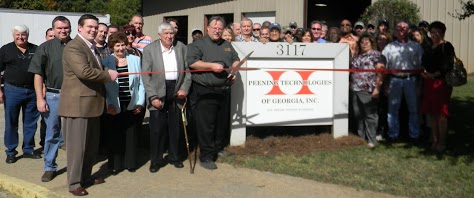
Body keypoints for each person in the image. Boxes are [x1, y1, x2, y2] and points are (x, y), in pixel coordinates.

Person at [58, 14, 118, 196]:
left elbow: (96, 69)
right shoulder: (74, 47)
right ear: (80, 28)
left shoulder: (91, 48)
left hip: (92, 105)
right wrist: (109, 76)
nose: (93, 30)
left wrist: (107, 71)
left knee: (90, 147)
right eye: (89, 27)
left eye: (95, 27)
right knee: (78, 148)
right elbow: (84, 72)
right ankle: (74, 184)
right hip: (77, 107)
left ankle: (86, 177)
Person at [186, 16, 239, 170]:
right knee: (206, 125)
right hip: (205, 91)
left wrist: (234, 70)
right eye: (214, 27)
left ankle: (217, 149)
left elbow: (236, 59)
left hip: (223, 90)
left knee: (220, 124)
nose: (217, 30)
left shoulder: (227, 45)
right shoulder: (198, 44)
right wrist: (211, 66)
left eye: (220, 28)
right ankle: (206, 156)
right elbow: (192, 62)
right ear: (207, 28)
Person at [28, 16, 72, 182]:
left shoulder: (77, 46)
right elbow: (38, 74)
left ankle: (75, 167)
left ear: (70, 28)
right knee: (52, 133)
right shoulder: (45, 48)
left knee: (73, 134)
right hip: (53, 96)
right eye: (59, 28)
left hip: (74, 96)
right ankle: (49, 167)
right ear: (53, 30)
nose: (63, 31)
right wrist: (40, 98)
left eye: (66, 27)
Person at [142, 22, 191, 172]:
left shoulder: (181, 47)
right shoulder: (150, 49)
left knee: (175, 127)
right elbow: (146, 76)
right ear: (159, 35)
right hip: (158, 92)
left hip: (176, 91)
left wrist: (184, 89)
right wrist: (153, 96)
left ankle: (174, 157)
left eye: (171, 33)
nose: (170, 36)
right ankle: (155, 160)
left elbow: (188, 72)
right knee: (157, 129)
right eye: (166, 34)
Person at [102, 32, 144, 174]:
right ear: (112, 47)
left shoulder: (135, 60)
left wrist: (140, 102)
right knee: (115, 134)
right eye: (117, 45)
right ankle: (115, 164)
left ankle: (130, 163)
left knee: (131, 134)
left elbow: (141, 84)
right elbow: (104, 86)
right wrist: (109, 104)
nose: (120, 48)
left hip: (131, 102)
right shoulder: (106, 61)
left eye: (122, 45)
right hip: (114, 104)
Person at [0, 24, 41, 164]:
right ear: (13, 35)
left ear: (27, 35)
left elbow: (41, 71)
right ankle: (11, 151)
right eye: (17, 34)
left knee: (30, 122)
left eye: (23, 34)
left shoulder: (35, 49)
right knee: (11, 122)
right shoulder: (6, 50)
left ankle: (28, 149)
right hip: (12, 90)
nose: (20, 37)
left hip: (32, 91)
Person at [382, 21, 423, 142]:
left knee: (414, 109)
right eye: (399, 28)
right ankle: (393, 134)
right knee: (393, 109)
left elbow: (421, 67)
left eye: (404, 28)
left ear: (408, 30)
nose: (401, 30)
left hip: (411, 80)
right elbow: (384, 68)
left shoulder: (416, 47)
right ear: (396, 30)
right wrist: (385, 84)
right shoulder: (389, 47)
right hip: (395, 80)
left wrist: (419, 85)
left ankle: (414, 134)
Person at [421, 21, 454, 153]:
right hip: (428, 83)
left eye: (438, 32)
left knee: (441, 114)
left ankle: (442, 142)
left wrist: (434, 75)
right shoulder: (429, 47)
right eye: (432, 32)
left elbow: (448, 66)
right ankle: (434, 140)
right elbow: (424, 62)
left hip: (441, 84)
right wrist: (425, 72)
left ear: (443, 33)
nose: (435, 34)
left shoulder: (446, 47)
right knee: (431, 113)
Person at [350, 33, 385, 148]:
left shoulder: (377, 55)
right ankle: (361, 138)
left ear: (371, 43)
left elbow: (380, 73)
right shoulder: (356, 55)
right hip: (355, 89)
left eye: (367, 42)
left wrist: (377, 89)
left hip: (369, 89)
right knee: (358, 115)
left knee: (370, 116)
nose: (364, 44)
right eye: (362, 42)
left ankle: (372, 140)